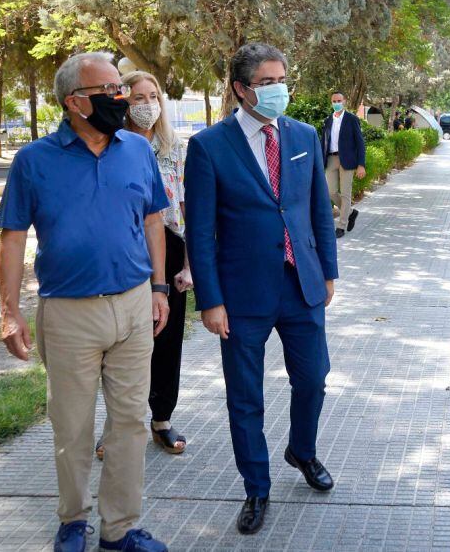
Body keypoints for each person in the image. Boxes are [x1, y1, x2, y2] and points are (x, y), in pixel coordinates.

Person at [0, 52, 170, 552]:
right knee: (73, 426)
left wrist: (158, 289)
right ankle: (73, 520)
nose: (121, 99)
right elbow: (11, 238)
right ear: (75, 103)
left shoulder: (137, 152)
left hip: (135, 306)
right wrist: (9, 312)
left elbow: (154, 219)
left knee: (132, 422)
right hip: (69, 312)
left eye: (122, 89)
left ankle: (120, 529)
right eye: (109, 92)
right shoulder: (34, 160)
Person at [184, 42, 338, 536]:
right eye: (267, 82)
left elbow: (317, 208)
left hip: (302, 284)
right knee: (245, 397)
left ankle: (303, 450)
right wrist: (210, 300)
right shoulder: (209, 146)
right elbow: (200, 231)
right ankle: (256, 487)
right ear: (241, 89)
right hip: (242, 296)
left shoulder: (304, 135)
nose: (278, 89)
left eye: (281, 79)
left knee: (313, 378)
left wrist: (328, 271)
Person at [122, 70, 192, 454]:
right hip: (126, 249)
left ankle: (161, 418)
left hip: (170, 244)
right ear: (123, 103)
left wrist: (188, 266)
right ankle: (121, 422)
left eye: (153, 97)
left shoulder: (175, 149)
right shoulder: (111, 146)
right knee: (128, 342)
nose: (147, 105)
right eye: (138, 98)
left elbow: (187, 208)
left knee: (167, 340)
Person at [321, 92, 366, 238]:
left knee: (346, 194)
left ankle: (341, 226)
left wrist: (361, 164)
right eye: (334, 101)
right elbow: (324, 142)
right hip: (331, 159)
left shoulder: (352, 119)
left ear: (344, 101)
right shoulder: (328, 120)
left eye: (339, 100)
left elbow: (360, 143)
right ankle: (351, 213)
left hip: (348, 160)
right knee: (330, 191)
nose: (336, 103)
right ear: (331, 102)